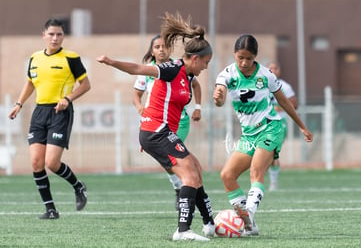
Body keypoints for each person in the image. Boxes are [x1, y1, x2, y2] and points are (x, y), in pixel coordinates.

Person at [97, 12, 214, 241]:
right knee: (189, 176)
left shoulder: (189, 76)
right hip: (155, 131)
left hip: (163, 132)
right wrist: (112, 62)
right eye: (206, 63)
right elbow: (139, 70)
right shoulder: (172, 69)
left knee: (196, 171)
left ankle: (209, 223)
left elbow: (193, 89)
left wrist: (199, 106)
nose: (206, 67)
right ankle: (183, 231)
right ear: (194, 59)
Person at [213, 34, 313, 235]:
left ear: (255, 57)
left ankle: (247, 215)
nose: (244, 62)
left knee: (256, 171)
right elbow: (220, 95)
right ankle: (249, 224)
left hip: (270, 127)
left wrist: (301, 126)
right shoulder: (227, 75)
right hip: (249, 135)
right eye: (240, 57)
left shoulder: (266, 75)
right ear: (235, 54)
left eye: (249, 58)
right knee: (227, 175)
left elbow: (284, 102)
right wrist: (218, 97)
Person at [8, 18, 91, 219]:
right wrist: (18, 104)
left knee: (52, 163)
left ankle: (78, 187)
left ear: (63, 36)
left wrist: (68, 99)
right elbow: (30, 83)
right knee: (36, 163)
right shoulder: (35, 58)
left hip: (59, 113)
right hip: (39, 112)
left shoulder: (71, 58)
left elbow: (86, 85)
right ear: (43, 35)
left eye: (59, 34)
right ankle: (51, 210)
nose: (55, 38)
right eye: (51, 34)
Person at [133, 34, 203, 209]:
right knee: (172, 159)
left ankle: (186, 191)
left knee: (175, 158)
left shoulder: (178, 67)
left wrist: (198, 107)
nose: (161, 49)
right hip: (157, 123)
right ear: (152, 51)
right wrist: (139, 107)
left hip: (179, 121)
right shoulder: (148, 70)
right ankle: (182, 189)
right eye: (157, 47)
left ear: (170, 49)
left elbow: (195, 84)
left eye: (164, 46)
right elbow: (136, 94)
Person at [267, 62, 298, 191]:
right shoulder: (261, 86)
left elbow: (294, 105)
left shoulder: (285, 86)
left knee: (272, 151)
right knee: (264, 153)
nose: (273, 70)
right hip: (263, 123)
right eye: (270, 68)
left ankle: (273, 182)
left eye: (275, 68)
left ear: (279, 71)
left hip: (279, 123)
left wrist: (278, 108)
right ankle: (263, 180)